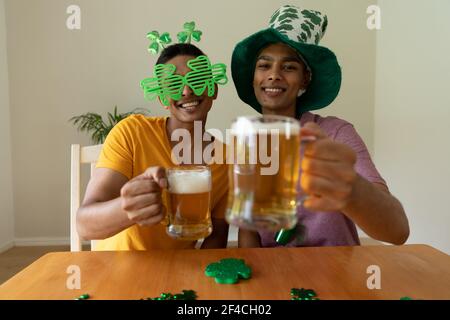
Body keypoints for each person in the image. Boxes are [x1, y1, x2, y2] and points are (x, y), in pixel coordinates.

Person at [231, 5, 409, 247]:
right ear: (253, 77)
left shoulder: (335, 134)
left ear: (305, 79)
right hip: (274, 279)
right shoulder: (246, 142)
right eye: (264, 65)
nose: (274, 75)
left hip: (338, 280)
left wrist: (351, 188)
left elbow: (397, 231)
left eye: (289, 67)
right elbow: (248, 233)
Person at [76, 43, 229, 250]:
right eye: (174, 85)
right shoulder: (131, 132)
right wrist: (127, 207)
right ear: (163, 98)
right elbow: (84, 226)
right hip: (118, 275)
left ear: (214, 89)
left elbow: (217, 237)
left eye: (197, 79)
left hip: (178, 277)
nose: (186, 91)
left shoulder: (227, 159)